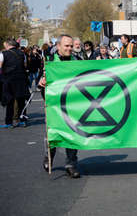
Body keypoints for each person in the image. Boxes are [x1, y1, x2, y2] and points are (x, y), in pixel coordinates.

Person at [38, 34, 81, 178]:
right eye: (66, 46)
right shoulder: (49, 61)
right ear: (58, 46)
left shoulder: (78, 61)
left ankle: (71, 165)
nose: (69, 48)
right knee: (53, 133)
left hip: (73, 106)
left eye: (71, 46)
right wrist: (41, 82)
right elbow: (41, 82)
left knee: (72, 135)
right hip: (54, 106)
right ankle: (49, 156)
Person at [0, 39, 29, 128]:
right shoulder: (22, 53)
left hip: (9, 80)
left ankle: (9, 122)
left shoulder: (3, 54)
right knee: (21, 101)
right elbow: (25, 65)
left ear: (8, 45)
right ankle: (22, 121)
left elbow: (0, 66)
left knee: (10, 101)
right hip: (21, 79)